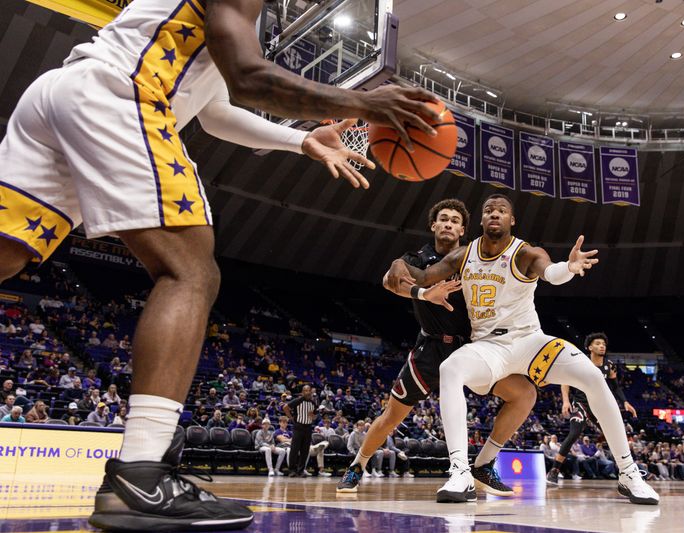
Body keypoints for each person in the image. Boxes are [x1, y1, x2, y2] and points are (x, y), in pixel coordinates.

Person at [0, 0, 440, 528]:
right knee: (190, 272)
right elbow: (250, 77)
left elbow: (214, 112)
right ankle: (141, 474)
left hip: (59, 96)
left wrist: (301, 140)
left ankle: (139, 478)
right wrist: (363, 103)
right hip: (117, 94)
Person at [390, 194, 659, 505]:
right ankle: (460, 472)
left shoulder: (526, 252)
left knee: (592, 376)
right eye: (488, 209)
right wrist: (401, 261)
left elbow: (552, 273)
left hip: (530, 341)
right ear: (481, 220)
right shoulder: (463, 255)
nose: (494, 214)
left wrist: (569, 267)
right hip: (489, 347)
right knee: (450, 368)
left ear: (511, 220)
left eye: (502, 211)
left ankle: (628, 473)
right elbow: (422, 276)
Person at [338, 199, 538, 496]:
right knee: (391, 417)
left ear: (463, 230)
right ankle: (357, 464)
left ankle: (483, 465)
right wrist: (423, 293)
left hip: (471, 348)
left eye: (455, 221)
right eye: (443, 219)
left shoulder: (474, 255)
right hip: (430, 348)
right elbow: (388, 280)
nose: (448, 224)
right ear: (433, 225)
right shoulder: (418, 258)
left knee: (524, 393)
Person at [547, 333, 636, 485]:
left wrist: (625, 402)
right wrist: (566, 401)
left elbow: (615, 386)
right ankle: (554, 471)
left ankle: (628, 472)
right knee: (574, 434)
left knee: (615, 436)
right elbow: (565, 381)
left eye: (604, 344)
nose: (602, 346)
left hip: (599, 405)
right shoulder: (581, 363)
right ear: (589, 347)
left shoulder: (609, 366)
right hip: (581, 403)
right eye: (598, 343)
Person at [284, 385, 318, 477]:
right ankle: (292, 470)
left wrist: (313, 416)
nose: (307, 392)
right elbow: (285, 407)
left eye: (308, 390)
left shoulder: (313, 403)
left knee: (305, 450)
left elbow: (315, 416)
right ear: (303, 392)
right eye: (305, 390)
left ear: (311, 391)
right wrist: (291, 418)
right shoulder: (298, 400)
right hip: (298, 427)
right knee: (294, 450)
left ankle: (301, 470)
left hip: (308, 428)